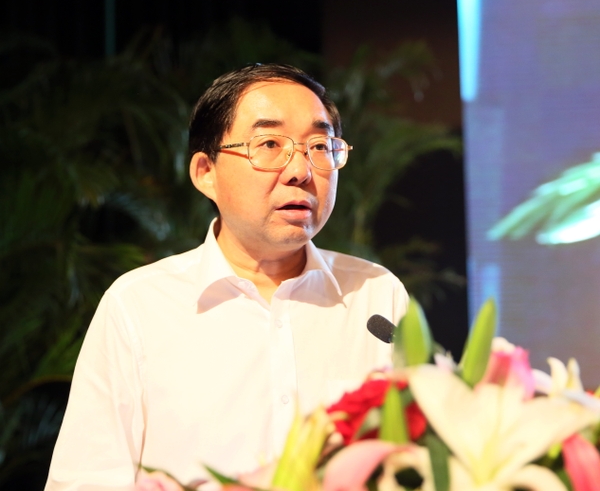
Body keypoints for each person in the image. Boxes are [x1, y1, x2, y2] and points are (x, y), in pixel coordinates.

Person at [45, 63, 408, 490]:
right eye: (269, 144)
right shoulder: (138, 307)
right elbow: (85, 480)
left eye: (320, 146)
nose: (301, 170)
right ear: (206, 172)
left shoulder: (375, 297)